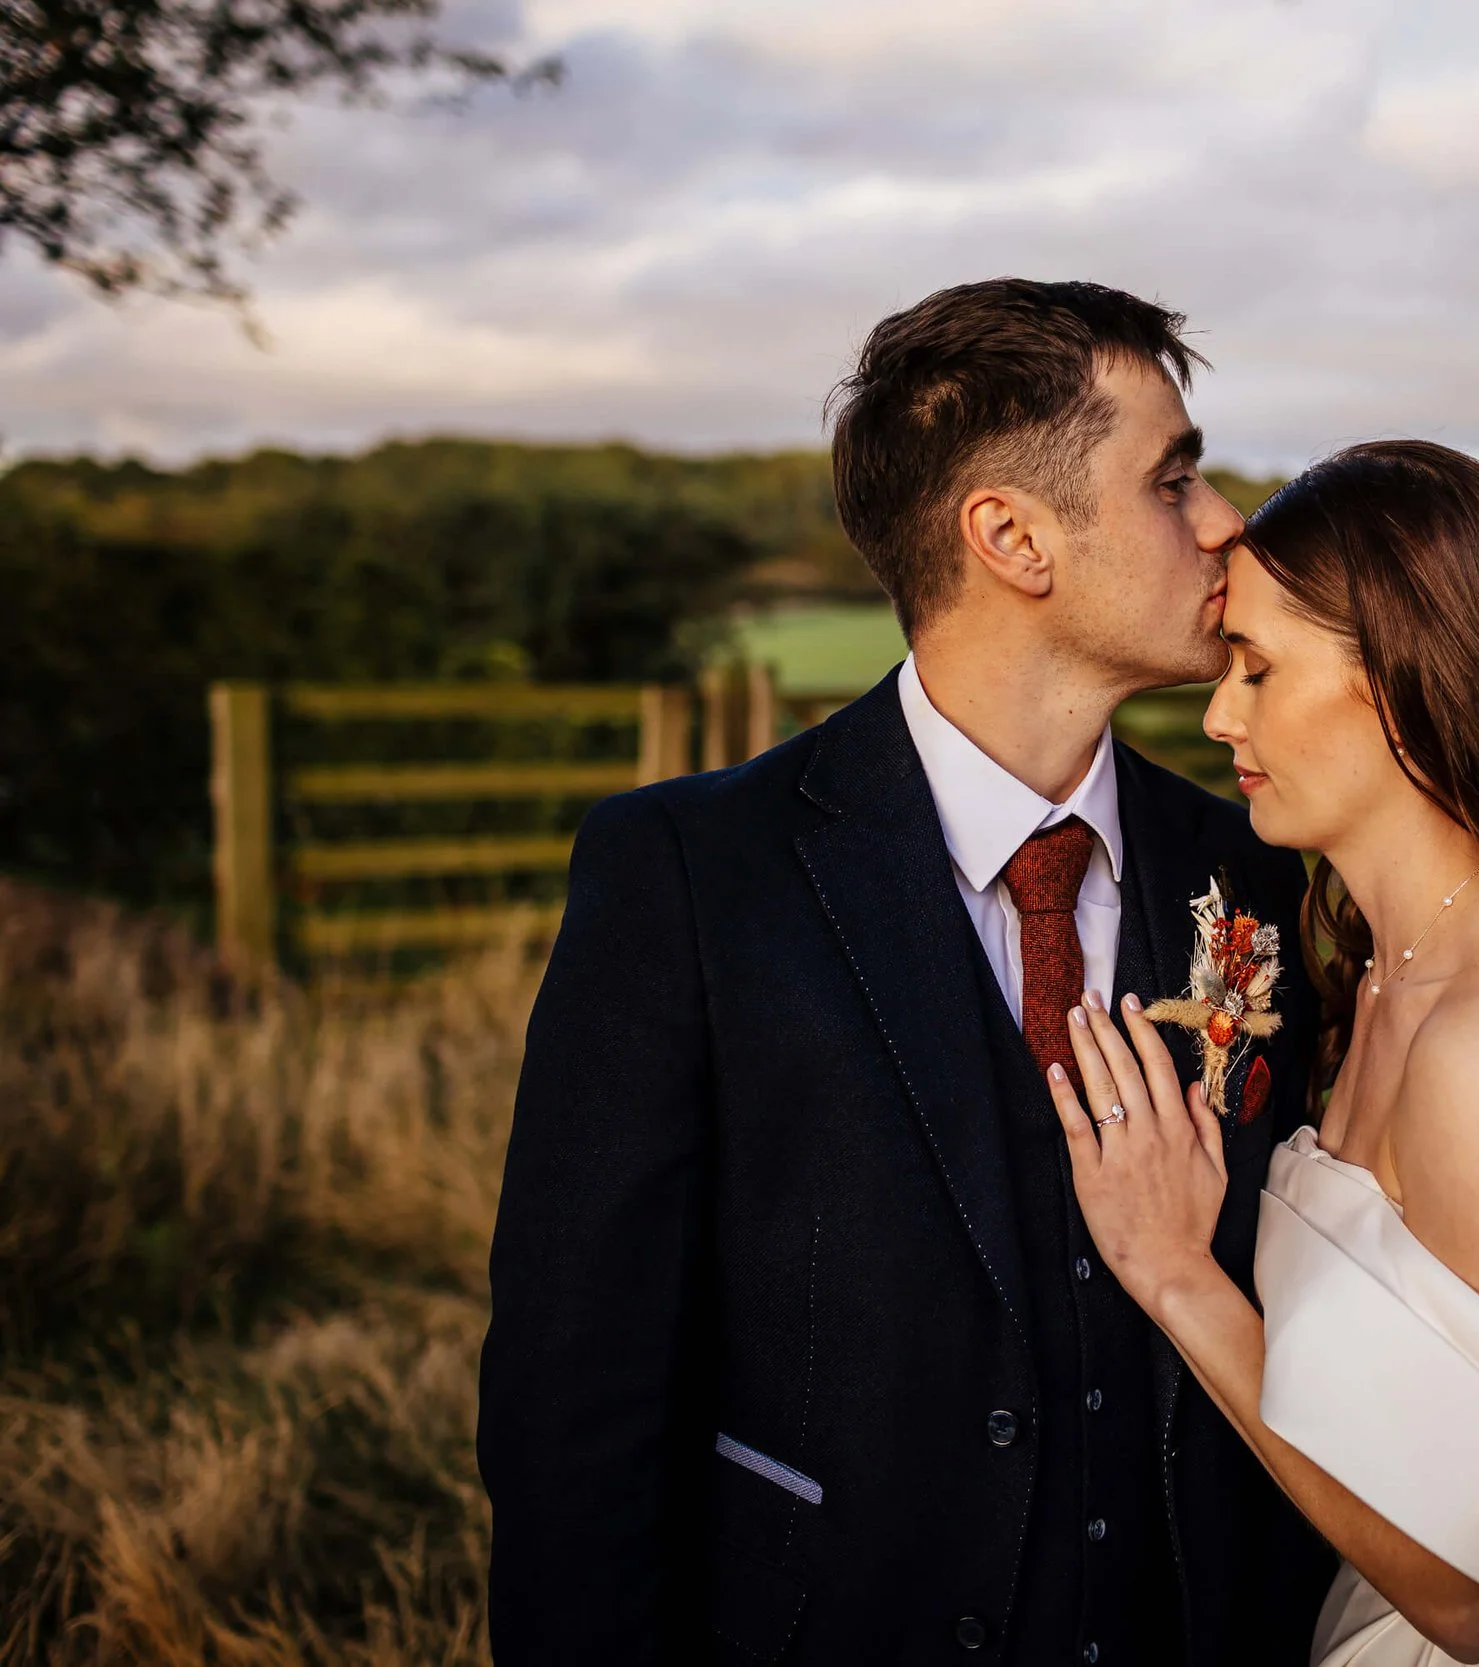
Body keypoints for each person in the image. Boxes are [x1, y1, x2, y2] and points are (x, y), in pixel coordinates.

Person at [476, 279, 1336, 1665]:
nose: (1228, 519)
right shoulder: (694, 874)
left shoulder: (1258, 874)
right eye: (1173, 477)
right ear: (1011, 536)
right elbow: (576, 1402)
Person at [1044, 441, 1479, 1666]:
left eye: (1259, 668)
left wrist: (1174, 1273)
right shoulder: (1379, 980)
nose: (1217, 714)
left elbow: (1473, 1595)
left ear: (1410, 686)